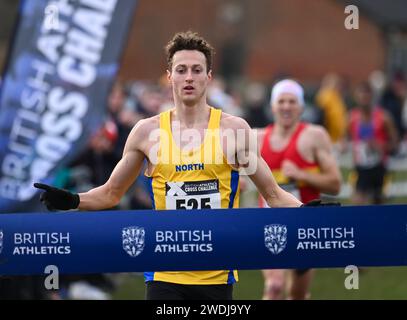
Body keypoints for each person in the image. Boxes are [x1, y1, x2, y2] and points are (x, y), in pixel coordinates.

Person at [34, 31, 318, 300]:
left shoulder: (233, 130)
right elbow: (111, 193)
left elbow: (273, 194)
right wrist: (72, 200)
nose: (189, 77)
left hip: (216, 275)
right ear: (169, 77)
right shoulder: (146, 132)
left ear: (209, 76)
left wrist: (310, 215)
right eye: (181, 70)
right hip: (164, 274)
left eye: (197, 70)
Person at [257, 79, 342, 300]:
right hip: (270, 226)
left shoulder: (314, 136)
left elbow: (335, 184)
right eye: (281, 101)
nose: (286, 107)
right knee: (274, 286)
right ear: (273, 106)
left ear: (302, 107)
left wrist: (302, 175)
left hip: (305, 227)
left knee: (297, 294)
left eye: (292, 102)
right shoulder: (256, 139)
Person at [349, 82, 398, 205]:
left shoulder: (384, 117)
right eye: (361, 96)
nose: (363, 100)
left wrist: (381, 146)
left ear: (372, 97)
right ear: (356, 97)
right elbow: (345, 139)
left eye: (366, 96)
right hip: (360, 168)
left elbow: (395, 143)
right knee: (358, 203)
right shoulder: (351, 117)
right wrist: (344, 145)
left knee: (379, 205)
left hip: (380, 168)